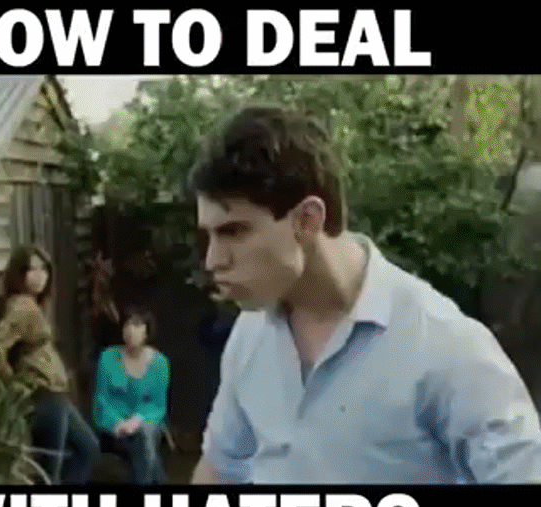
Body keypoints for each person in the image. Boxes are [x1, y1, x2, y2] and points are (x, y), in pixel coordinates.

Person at [188, 106, 541, 484]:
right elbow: (220, 469)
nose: (213, 260)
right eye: (209, 235)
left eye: (233, 232)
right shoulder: (250, 334)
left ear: (307, 220)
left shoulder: (443, 344)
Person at [0, 245, 100, 485]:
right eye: (31, 269)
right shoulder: (23, 307)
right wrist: (14, 385)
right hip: (43, 397)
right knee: (51, 473)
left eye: (43, 268)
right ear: (19, 274)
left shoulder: (33, 305)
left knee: (87, 449)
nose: (39, 275)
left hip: (56, 396)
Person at [92, 306, 170, 484]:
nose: (130, 330)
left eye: (136, 325)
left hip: (145, 424)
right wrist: (117, 423)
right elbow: (101, 401)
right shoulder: (108, 358)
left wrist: (138, 420)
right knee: (146, 445)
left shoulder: (160, 363)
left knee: (145, 435)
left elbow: (158, 406)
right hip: (114, 429)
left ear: (147, 330)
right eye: (126, 325)